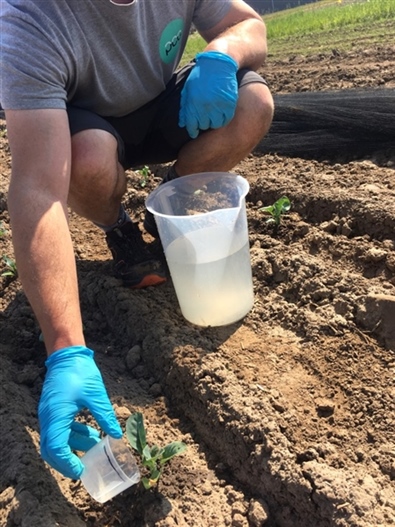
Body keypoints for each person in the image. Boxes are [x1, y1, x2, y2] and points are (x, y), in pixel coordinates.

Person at [0, 0, 274, 480]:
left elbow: (247, 23)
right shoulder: (28, 20)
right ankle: (120, 229)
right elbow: (37, 191)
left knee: (252, 105)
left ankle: (170, 201)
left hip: (168, 103)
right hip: (91, 125)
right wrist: (65, 348)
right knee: (85, 159)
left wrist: (224, 53)